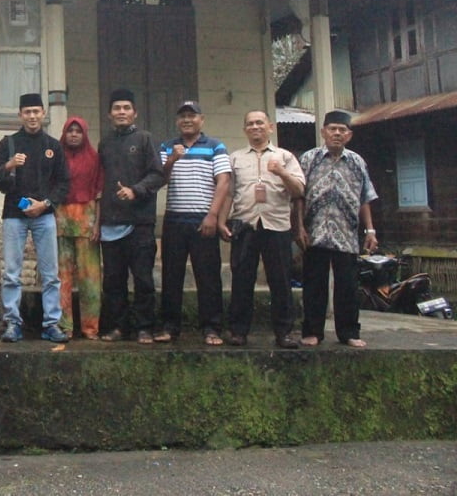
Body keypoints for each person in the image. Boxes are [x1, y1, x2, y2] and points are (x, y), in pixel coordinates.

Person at [220, 109, 305, 348]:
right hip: (245, 224)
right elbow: (228, 193)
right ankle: (238, 331)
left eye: (260, 123)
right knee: (242, 280)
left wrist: (280, 172)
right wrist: (220, 221)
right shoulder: (235, 158)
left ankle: (284, 332)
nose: (255, 127)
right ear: (245, 129)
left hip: (276, 225)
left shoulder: (285, 156)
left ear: (270, 127)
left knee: (280, 281)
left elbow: (298, 191)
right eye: (250, 124)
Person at [0, 94, 70, 344]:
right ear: (20, 115)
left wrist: (45, 204)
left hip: (44, 215)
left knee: (50, 273)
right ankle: (12, 322)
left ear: (43, 113)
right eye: (27, 112)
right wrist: (10, 165)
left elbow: (63, 182)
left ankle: (51, 324)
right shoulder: (9, 144)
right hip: (14, 215)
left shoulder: (53, 145)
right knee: (12, 272)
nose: (32, 116)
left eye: (36, 111)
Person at [298, 110, 378, 348]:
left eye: (342, 130)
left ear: (349, 135)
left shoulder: (357, 162)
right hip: (315, 232)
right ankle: (313, 331)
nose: (336, 133)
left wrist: (370, 231)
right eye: (332, 128)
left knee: (347, 285)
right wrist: (299, 226)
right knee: (314, 284)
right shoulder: (309, 159)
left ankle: (349, 333)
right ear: (323, 132)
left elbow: (365, 197)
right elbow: (298, 196)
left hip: (346, 233)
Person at [155, 101, 231, 345]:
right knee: (171, 275)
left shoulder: (215, 146)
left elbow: (223, 182)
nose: (187, 120)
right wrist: (172, 160)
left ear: (202, 119)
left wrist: (213, 215)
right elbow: (160, 181)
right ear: (177, 121)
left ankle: (211, 328)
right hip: (175, 218)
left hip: (203, 219)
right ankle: (170, 327)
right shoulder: (167, 146)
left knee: (208, 276)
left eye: (192, 116)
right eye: (182, 117)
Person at [96, 88, 165, 343]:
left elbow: (158, 175)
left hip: (140, 223)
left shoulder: (145, 139)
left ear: (134, 113)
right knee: (113, 281)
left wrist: (136, 191)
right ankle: (118, 327)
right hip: (112, 223)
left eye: (126, 108)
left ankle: (145, 327)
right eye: (117, 108)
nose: (121, 112)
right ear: (109, 114)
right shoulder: (104, 144)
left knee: (143, 279)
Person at [56, 115, 103, 340]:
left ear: (84, 134)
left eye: (78, 131)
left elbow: (99, 192)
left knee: (90, 276)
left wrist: (98, 224)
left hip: (87, 219)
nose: (73, 135)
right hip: (60, 219)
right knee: (61, 276)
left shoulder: (94, 158)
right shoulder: (56, 157)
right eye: (70, 131)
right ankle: (64, 326)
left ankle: (90, 327)